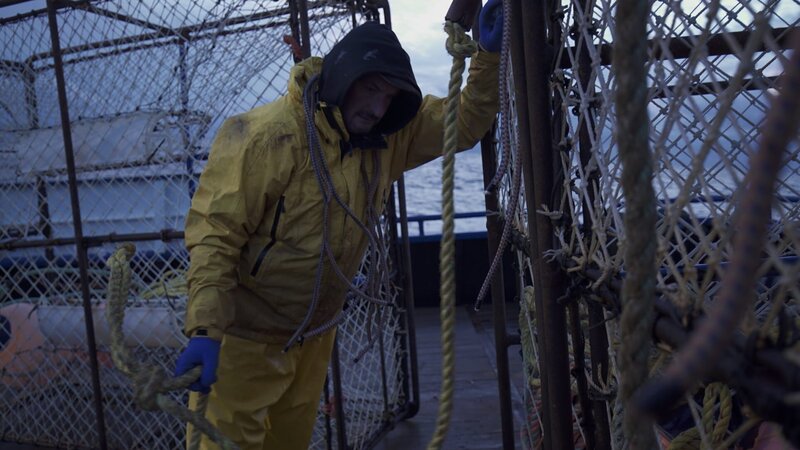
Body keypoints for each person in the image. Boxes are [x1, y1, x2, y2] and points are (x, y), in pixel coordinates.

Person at [174, 1, 504, 448]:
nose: (377, 106)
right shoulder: (264, 136)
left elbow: (463, 124)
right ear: (342, 77)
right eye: (370, 88)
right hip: (241, 340)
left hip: (314, 335)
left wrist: (487, 57)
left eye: (389, 96)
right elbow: (215, 237)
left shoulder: (387, 137)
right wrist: (206, 331)